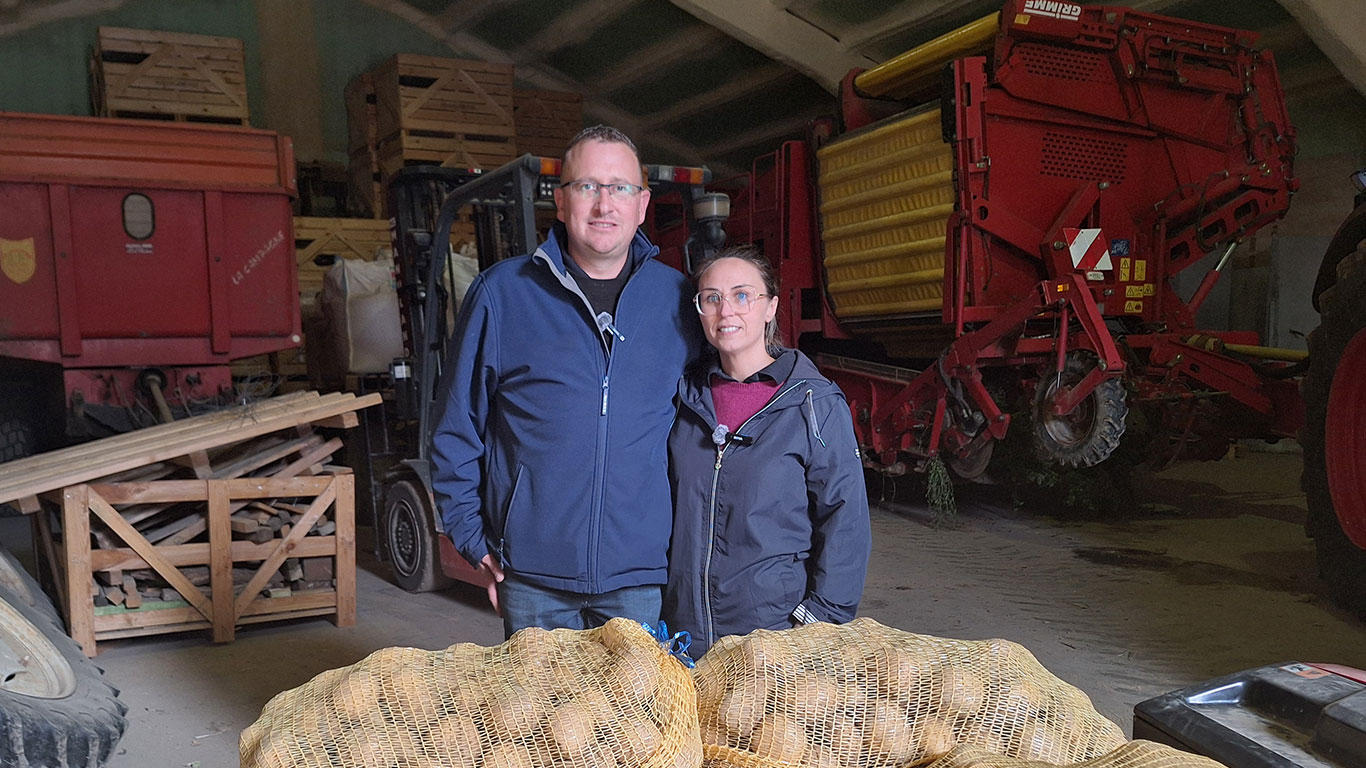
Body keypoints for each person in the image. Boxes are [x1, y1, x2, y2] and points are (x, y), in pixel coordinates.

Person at [431, 125, 702, 637]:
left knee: (631, 717)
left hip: (639, 578)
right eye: (587, 187)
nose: (605, 204)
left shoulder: (678, 301)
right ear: (560, 201)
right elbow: (456, 427)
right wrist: (471, 538)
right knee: (540, 717)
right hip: (532, 578)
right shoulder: (502, 295)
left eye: (620, 187)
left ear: (642, 204)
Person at [664, 245, 871, 657]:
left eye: (743, 295)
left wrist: (817, 621)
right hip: (681, 638)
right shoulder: (681, 401)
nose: (727, 311)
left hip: (771, 642)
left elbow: (845, 518)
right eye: (712, 298)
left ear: (770, 307)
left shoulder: (813, 402)